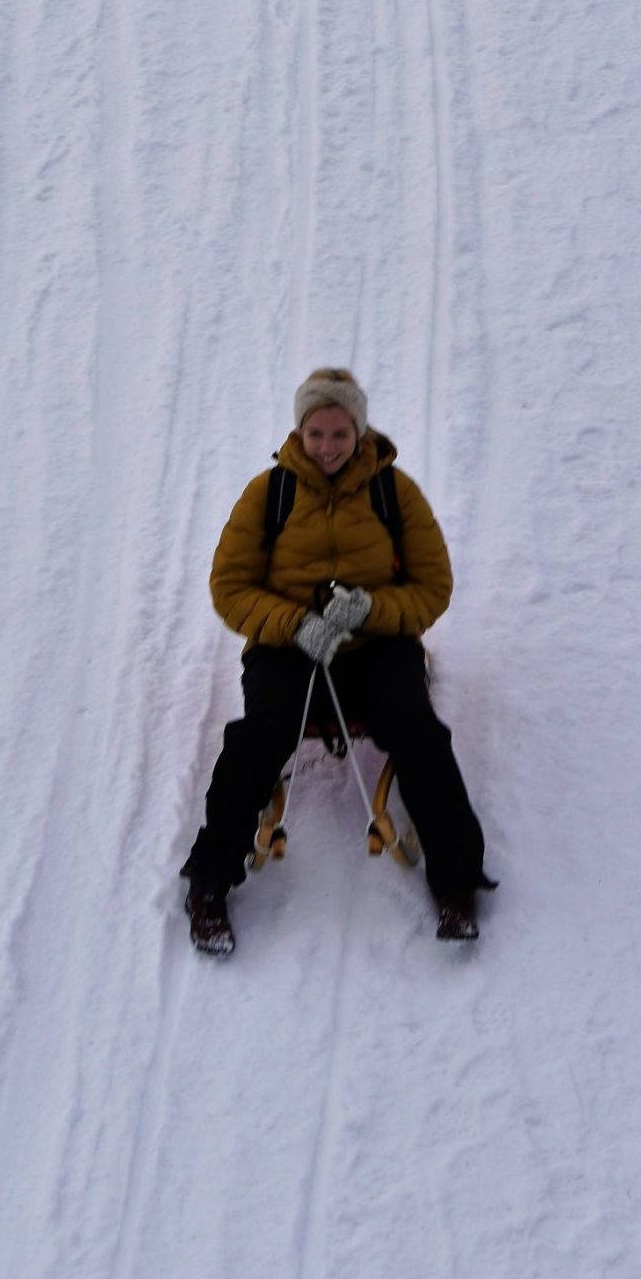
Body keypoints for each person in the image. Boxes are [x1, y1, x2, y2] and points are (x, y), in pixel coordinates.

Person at [181, 368, 494, 954]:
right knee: (259, 738)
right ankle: (208, 883)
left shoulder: (393, 492)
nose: (327, 447)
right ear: (299, 432)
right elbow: (230, 586)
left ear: (359, 431)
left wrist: (369, 610)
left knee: (418, 733)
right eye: (316, 433)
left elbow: (434, 586)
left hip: (374, 645)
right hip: (288, 646)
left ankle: (456, 883)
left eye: (339, 434)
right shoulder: (268, 493)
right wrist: (294, 624)